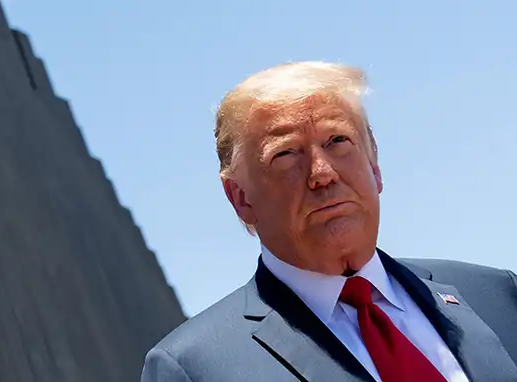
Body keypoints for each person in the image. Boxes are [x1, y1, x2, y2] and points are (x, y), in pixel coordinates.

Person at [142, 61, 517, 381]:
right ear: (240, 198)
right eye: (286, 154)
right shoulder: (196, 367)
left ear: (374, 164)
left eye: (338, 140)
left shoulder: (494, 293)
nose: (322, 174)